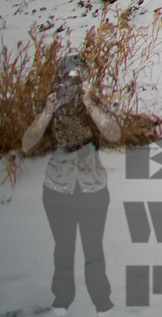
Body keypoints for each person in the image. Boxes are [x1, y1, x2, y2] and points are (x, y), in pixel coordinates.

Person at [22, 52, 121, 314]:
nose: (72, 85)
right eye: (67, 78)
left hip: (93, 186)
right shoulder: (51, 102)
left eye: (77, 78)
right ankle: (61, 304)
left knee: (94, 250)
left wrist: (90, 103)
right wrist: (47, 112)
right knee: (63, 250)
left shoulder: (91, 101)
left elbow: (114, 133)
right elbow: (27, 144)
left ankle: (103, 304)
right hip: (58, 187)